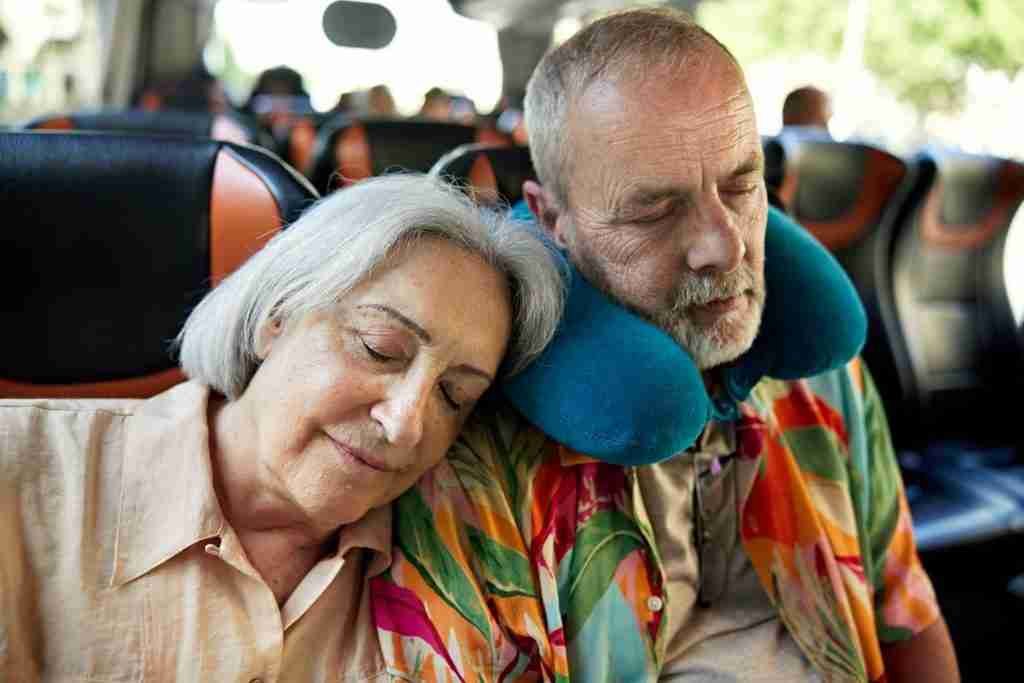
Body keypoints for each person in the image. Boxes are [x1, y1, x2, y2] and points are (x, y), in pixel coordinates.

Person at [376, 8, 960, 683]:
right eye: (654, 210)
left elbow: (907, 615)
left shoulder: (826, 379)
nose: (726, 245)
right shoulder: (470, 447)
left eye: (742, 186)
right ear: (551, 219)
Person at [0, 174, 565, 681]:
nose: (405, 424)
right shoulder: (19, 472)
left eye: (454, 395)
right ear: (278, 316)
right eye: (379, 349)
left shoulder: (460, 562)